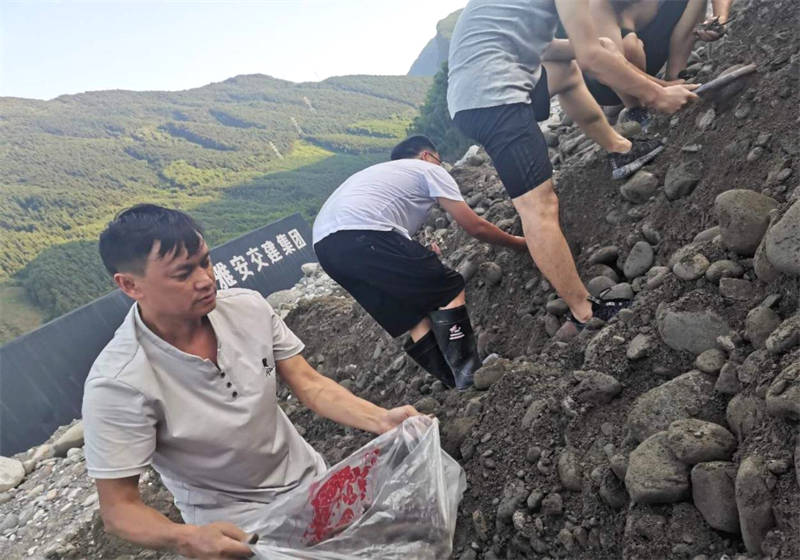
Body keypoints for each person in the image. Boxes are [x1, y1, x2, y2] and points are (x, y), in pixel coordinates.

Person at [82, 204, 421, 559]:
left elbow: (309, 383)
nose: (205, 279)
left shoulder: (248, 308)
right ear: (130, 285)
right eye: (183, 274)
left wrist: (382, 419)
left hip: (314, 486)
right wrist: (185, 538)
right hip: (241, 534)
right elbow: (119, 508)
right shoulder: (119, 384)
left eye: (205, 261)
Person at [447, 0, 698, 329]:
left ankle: (621, 148)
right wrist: (656, 95)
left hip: (477, 89)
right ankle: (584, 310)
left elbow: (544, 46)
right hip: (492, 98)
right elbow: (591, 58)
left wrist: (599, 47)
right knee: (539, 205)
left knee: (566, 72)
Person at [313, 135, 527, 391]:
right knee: (448, 288)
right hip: (361, 233)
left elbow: (392, 241)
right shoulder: (427, 169)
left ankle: (453, 383)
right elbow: (475, 226)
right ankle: (469, 374)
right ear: (427, 156)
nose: (441, 166)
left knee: (411, 314)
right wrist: (518, 243)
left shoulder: (385, 178)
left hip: (326, 250)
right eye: (439, 160)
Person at [562, 0, 733, 119]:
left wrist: (719, 20)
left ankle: (677, 73)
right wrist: (663, 88)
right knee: (630, 45)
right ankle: (635, 109)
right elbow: (607, 62)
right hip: (605, 79)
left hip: (645, 50)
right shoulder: (597, 6)